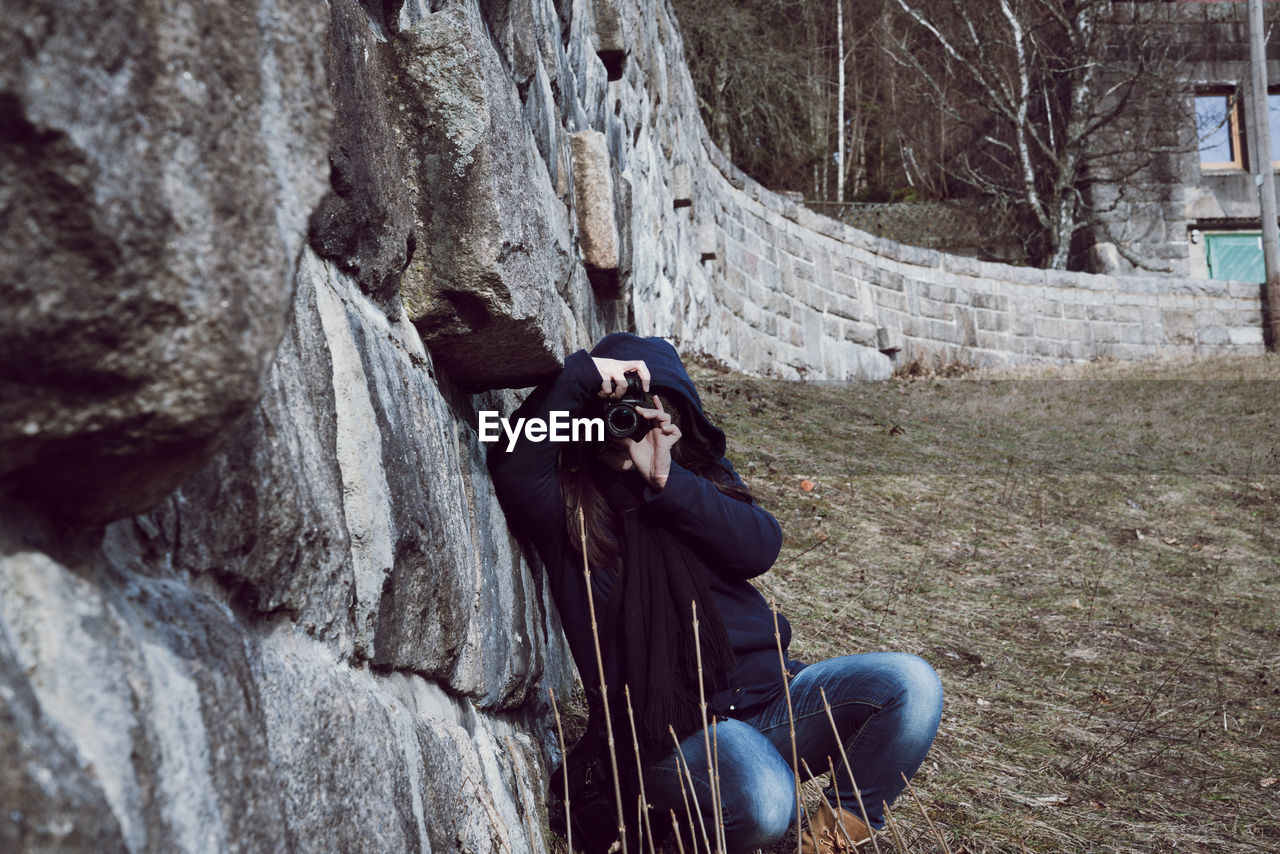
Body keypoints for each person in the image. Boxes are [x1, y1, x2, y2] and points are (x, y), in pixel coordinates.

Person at [489, 333, 943, 854]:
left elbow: (760, 546)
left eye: (643, 408)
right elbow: (515, 462)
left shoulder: (694, 480)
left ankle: (826, 845)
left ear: (672, 411)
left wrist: (669, 479)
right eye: (612, 411)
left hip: (771, 701)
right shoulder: (567, 505)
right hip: (666, 736)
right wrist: (582, 378)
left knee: (912, 684)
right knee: (769, 802)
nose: (626, 423)